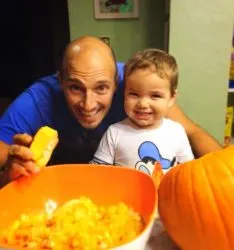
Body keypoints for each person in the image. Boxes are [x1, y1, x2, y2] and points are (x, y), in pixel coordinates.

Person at [0, 36, 222, 188]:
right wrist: (10, 173)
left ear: (118, 83)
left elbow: (192, 132)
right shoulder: (37, 100)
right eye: (75, 87)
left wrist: (230, 177)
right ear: (60, 82)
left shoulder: (138, 87)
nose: (88, 105)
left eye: (101, 88)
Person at [91, 48, 194, 175]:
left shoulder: (176, 132)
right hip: (125, 195)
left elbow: (188, 173)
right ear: (125, 93)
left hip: (166, 195)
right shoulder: (114, 132)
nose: (143, 104)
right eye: (134, 94)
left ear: (171, 98)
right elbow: (97, 172)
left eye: (155, 96)